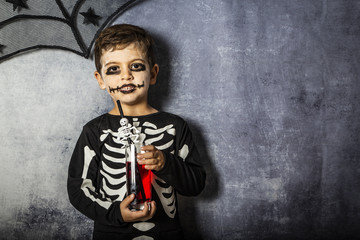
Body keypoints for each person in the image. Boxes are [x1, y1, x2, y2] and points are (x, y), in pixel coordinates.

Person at [67, 24, 206, 240]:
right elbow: (78, 190)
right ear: (100, 80)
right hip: (111, 234)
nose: (126, 76)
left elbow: (196, 183)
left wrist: (165, 163)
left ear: (153, 74)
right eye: (114, 69)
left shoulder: (175, 126)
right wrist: (115, 213)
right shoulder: (94, 131)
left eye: (136, 66)